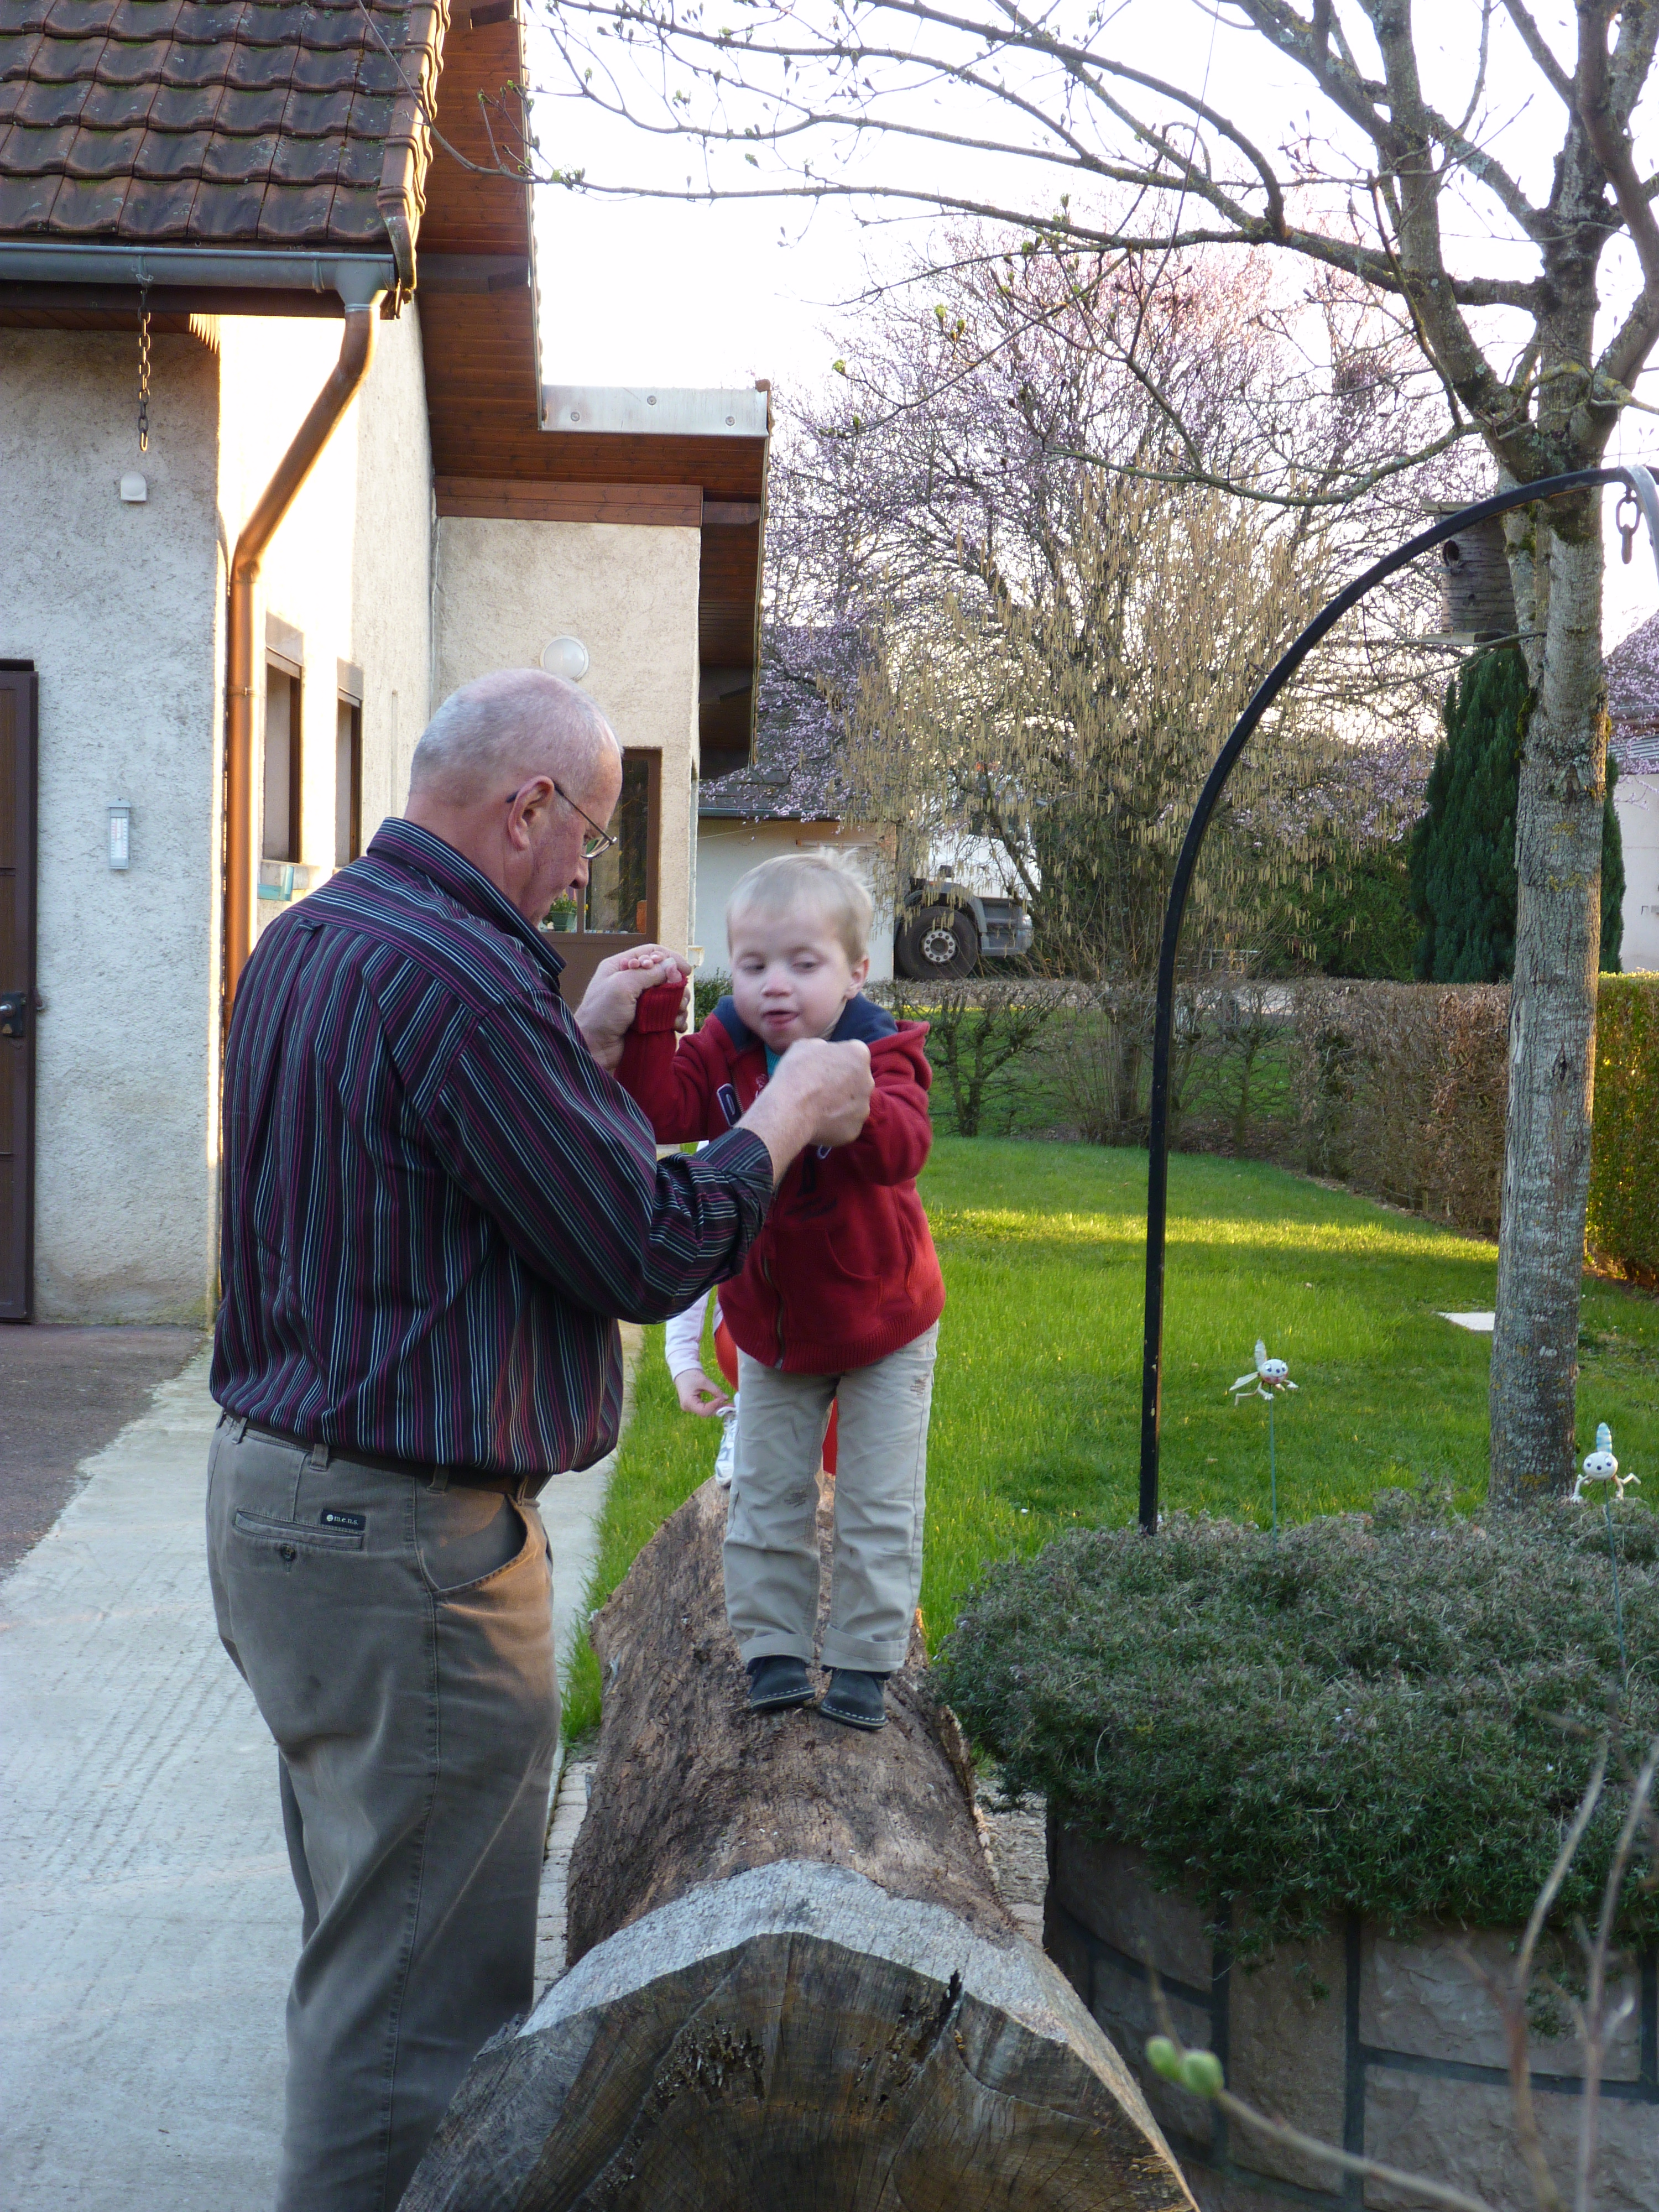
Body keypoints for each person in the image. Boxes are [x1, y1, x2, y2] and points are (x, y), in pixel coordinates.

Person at [205, 671, 873, 2212]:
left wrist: (569, 1057)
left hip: (278, 1518)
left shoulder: (313, 943)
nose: (588, 869)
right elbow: (643, 1247)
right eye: (589, 831)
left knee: (364, 1949)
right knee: (416, 2034)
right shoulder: (458, 979)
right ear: (526, 807)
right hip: (408, 1562)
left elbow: (432, 1182)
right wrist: (783, 1115)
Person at [617, 853, 943, 1731]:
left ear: (856, 972)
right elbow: (659, 1111)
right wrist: (653, 1021)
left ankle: (866, 1666)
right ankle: (771, 1655)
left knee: (878, 1504)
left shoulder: (880, 1046)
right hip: (774, 1333)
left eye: (806, 964)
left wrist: (846, 1098)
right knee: (765, 1494)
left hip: (884, 1325)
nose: (776, 987)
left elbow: (905, 1145)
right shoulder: (726, 1047)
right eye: (754, 965)